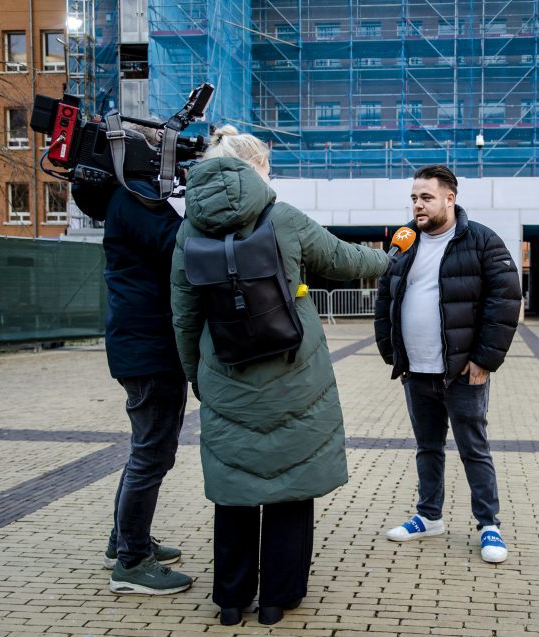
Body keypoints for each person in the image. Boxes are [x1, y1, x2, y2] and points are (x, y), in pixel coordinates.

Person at [170, 126, 389, 626]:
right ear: (258, 168)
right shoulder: (282, 217)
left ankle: (230, 601)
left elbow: (183, 317)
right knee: (291, 487)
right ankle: (277, 600)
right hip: (295, 371)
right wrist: (393, 258)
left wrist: (198, 378)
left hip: (226, 373)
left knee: (234, 489)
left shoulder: (189, 230)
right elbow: (346, 261)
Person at [374, 164, 521, 564]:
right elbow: (385, 297)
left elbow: (505, 301)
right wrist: (393, 354)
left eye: (426, 197)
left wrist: (484, 359)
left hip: (462, 371)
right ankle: (428, 515)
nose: (418, 204)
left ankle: (488, 524)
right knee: (428, 448)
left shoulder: (481, 241)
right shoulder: (403, 242)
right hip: (416, 369)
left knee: (473, 447)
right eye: (414, 197)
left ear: (449, 198)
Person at [72, 159, 193, 595]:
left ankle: (124, 542)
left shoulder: (126, 201)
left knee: (147, 453)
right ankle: (131, 563)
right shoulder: (135, 199)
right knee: (151, 456)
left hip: (142, 346)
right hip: (150, 349)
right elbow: (180, 245)